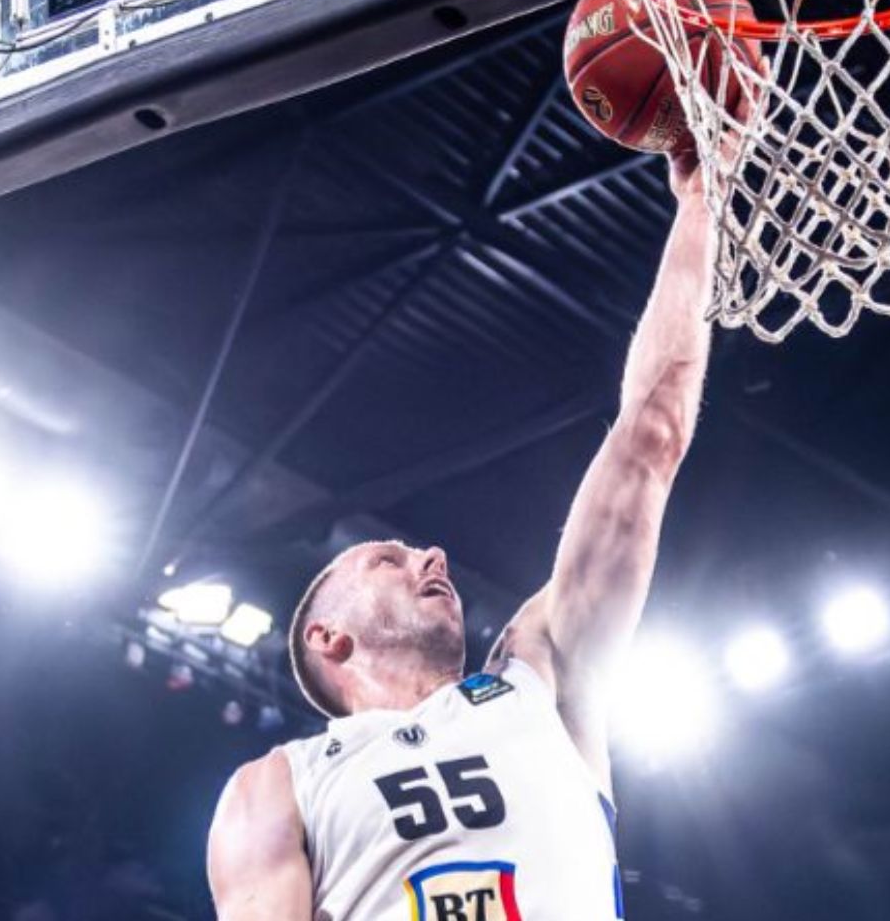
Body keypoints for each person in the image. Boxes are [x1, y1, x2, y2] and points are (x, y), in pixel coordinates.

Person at [206, 150, 716, 921]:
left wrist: (702, 204)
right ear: (329, 637)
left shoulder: (543, 674)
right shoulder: (280, 784)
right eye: (388, 560)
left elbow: (651, 437)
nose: (431, 555)